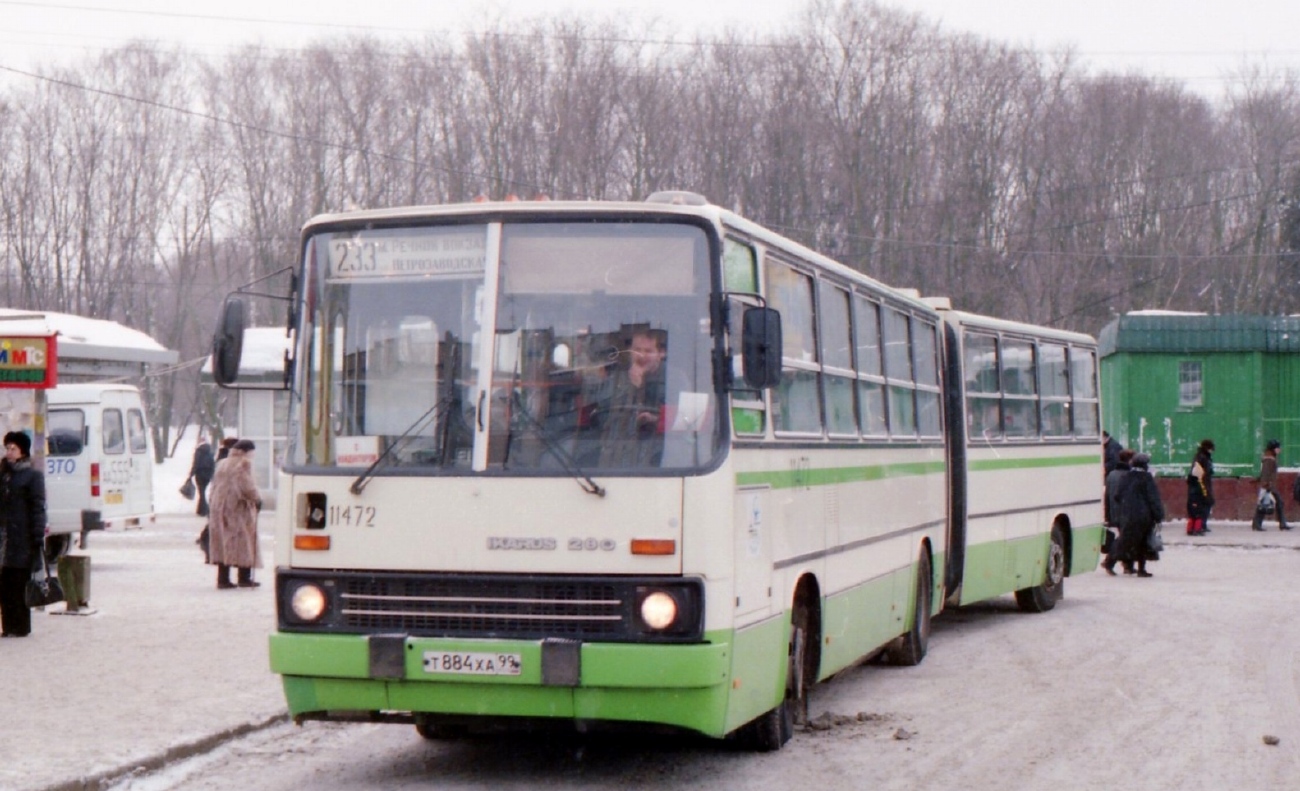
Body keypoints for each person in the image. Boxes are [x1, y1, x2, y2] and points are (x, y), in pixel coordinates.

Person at [596, 327, 668, 467]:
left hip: (658, 453)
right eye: (637, 350)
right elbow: (603, 413)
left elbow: (682, 418)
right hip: (617, 454)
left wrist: (656, 419)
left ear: (661, 353)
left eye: (648, 351)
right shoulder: (616, 378)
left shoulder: (674, 379)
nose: (641, 355)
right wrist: (631, 387)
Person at [0, 431, 47, 636]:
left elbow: (38, 507)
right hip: (4, 537)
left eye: (13, 449)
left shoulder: (32, 476)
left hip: (22, 537)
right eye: (7, 448)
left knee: (19, 583)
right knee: (5, 584)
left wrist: (37, 536)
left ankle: (21, 626)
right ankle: (8, 625)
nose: (9, 452)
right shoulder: (4, 475)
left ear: (22, 451)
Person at [207, 439, 262, 589]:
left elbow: (214, 485)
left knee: (224, 543)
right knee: (244, 541)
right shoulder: (243, 463)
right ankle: (244, 578)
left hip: (219, 507)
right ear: (246, 451)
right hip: (237, 508)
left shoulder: (223, 463)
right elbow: (246, 485)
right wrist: (256, 499)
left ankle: (223, 579)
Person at [1105, 452, 1164, 578]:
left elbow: (1117, 496)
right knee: (1142, 542)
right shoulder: (1147, 478)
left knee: (1125, 540)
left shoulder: (1126, 477)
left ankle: (1110, 562)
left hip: (1127, 515)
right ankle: (1141, 569)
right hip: (1143, 516)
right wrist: (1159, 515)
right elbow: (1153, 498)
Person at [1103, 449, 1135, 574]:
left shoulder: (1112, 474)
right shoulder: (1127, 475)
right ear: (1129, 460)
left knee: (1127, 538)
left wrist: (1107, 513)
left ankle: (1127, 564)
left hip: (1114, 511)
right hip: (1125, 512)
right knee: (1125, 539)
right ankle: (1110, 562)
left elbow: (1107, 496)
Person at [1251, 439, 1291, 532]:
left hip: (1269, 485)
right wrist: (1266, 485)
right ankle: (1280, 524)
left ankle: (1258, 524)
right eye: (1278, 448)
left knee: (1267, 503)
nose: (1279, 450)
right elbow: (1266, 473)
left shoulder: (1269, 457)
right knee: (1265, 504)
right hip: (1268, 486)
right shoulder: (1269, 459)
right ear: (1273, 449)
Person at [1185, 439, 1215, 536]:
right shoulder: (1201, 457)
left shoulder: (1204, 456)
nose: (1212, 451)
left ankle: (1201, 525)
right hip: (1201, 484)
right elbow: (1197, 472)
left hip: (1204, 483)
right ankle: (1199, 526)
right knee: (1203, 504)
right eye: (1211, 449)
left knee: (1207, 503)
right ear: (1207, 448)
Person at [188, 438, 216, 518]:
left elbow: (195, 463)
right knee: (202, 492)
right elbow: (212, 464)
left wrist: (191, 474)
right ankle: (201, 509)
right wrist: (212, 474)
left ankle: (204, 510)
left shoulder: (198, 451)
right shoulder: (210, 451)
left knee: (201, 492)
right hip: (208, 474)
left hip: (200, 474)